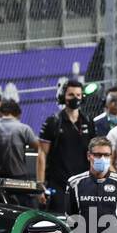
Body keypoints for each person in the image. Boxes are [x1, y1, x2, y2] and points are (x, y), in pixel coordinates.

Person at [38, 79, 99, 213]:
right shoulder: (53, 122)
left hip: (84, 184)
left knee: (85, 225)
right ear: (62, 97)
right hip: (59, 185)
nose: (75, 98)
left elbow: (95, 154)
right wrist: (40, 185)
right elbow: (42, 154)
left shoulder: (88, 122)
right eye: (71, 95)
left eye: (78, 95)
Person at [0, 99, 40, 180]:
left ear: (0, 112)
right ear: (17, 113)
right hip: (20, 177)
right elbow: (37, 147)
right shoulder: (24, 129)